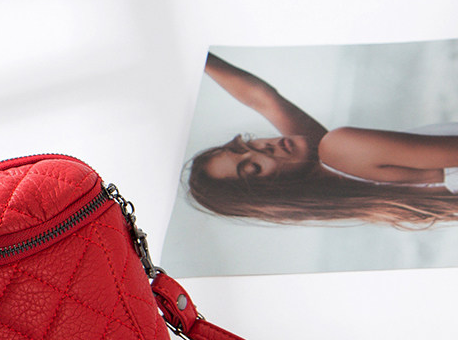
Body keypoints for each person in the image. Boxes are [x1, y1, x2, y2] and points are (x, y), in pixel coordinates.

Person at [187, 52, 458, 227]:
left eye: (245, 145)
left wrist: (196, 53)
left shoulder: (346, 186)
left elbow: (264, 100)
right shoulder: (339, 150)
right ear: (273, 190)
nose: (264, 148)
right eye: (253, 167)